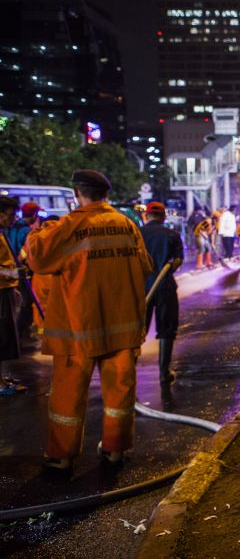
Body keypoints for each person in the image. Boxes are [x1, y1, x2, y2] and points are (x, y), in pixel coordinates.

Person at [26, 170, 152, 470]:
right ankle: (114, 450)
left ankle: (62, 455)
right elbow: (145, 266)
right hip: (122, 326)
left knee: (68, 394)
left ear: (77, 194)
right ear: (105, 194)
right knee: (120, 390)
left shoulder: (70, 225)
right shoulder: (126, 225)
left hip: (77, 327)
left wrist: (34, 231)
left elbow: (38, 259)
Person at [141, 202, 184, 385]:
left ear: (146, 216)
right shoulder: (172, 235)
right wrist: (167, 270)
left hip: (142, 287)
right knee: (167, 329)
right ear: (164, 216)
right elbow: (178, 260)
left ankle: (127, 375)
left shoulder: (136, 234)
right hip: (165, 286)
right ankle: (164, 374)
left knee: (136, 331)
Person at [8, 201, 41, 338]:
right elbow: (28, 253)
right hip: (22, 271)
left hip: (9, 272)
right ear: (34, 215)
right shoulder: (28, 232)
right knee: (26, 303)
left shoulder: (9, 228)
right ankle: (21, 333)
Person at [0, 196, 22, 395]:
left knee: (5, 336)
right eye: (9, 215)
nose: (12, 219)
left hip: (5, 290)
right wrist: (11, 274)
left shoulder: (2, 234)